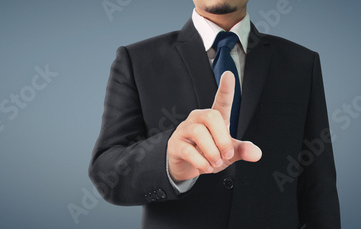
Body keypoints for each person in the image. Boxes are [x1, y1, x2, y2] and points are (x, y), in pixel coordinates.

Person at [89, 0, 341, 228]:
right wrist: (168, 161)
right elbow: (107, 174)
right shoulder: (137, 60)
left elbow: (319, 184)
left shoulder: (301, 63)